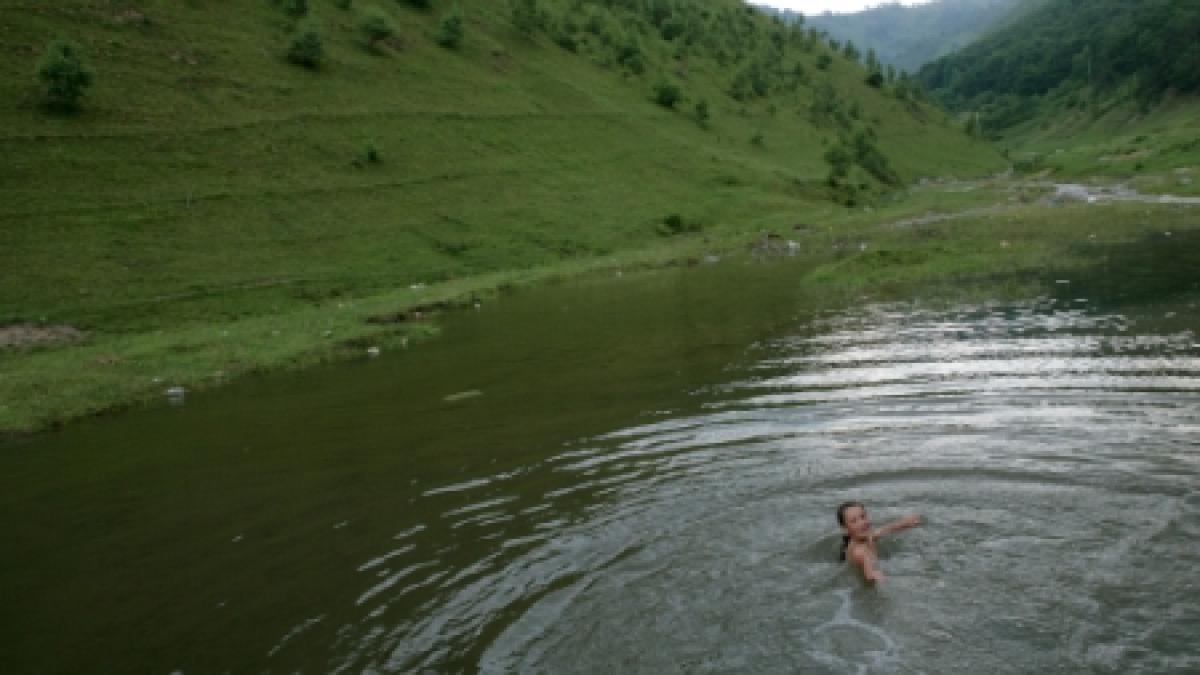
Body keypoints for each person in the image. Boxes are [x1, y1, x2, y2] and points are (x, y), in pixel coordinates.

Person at [836, 501, 921, 583]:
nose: (862, 523)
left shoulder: (866, 537)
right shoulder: (860, 552)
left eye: (863, 517)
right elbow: (871, 574)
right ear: (845, 529)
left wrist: (905, 523)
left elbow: (885, 529)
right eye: (854, 521)